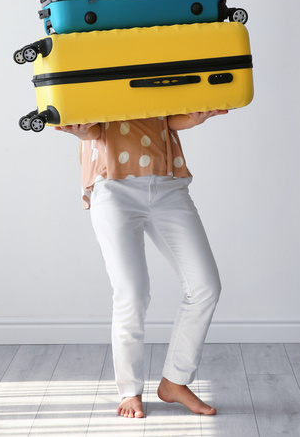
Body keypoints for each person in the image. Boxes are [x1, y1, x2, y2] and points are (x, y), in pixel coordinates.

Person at [56, 111, 226, 418]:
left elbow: (164, 118)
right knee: (132, 294)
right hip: (113, 184)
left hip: (167, 181)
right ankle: (129, 391)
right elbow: (95, 128)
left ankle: (175, 381)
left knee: (205, 287)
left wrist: (194, 119)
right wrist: (82, 132)